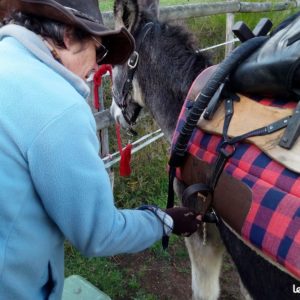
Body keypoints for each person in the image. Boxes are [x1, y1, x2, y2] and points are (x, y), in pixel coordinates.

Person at [0, 0, 202, 299]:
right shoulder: (60, 107)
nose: (97, 66)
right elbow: (97, 234)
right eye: (99, 49)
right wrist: (166, 219)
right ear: (68, 35)